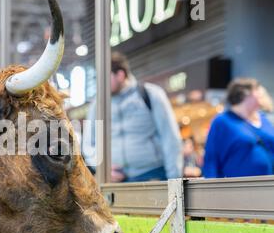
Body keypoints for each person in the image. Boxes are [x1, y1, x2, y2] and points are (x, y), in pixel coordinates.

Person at [84, 52, 183, 182]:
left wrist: (174, 181)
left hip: (152, 175)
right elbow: (89, 143)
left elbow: (170, 138)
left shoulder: (151, 94)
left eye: (104, 77)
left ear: (120, 75)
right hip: (115, 180)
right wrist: (101, 167)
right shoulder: (97, 105)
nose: (100, 83)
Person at [203, 78, 274, 178]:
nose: (260, 93)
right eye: (256, 90)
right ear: (245, 94)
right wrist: (211, 190)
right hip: (240, 188)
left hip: (269, 185)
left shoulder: (265, 119)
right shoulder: (223, 121)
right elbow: (211, 160)